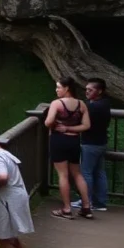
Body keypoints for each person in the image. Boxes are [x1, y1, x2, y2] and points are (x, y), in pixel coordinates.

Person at [45, 77, 93, 219]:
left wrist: (60, 126)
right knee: (77, 174)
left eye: (59, 87)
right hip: (74, 140)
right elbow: (86, 125)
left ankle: (66, 209)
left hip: (58, 140)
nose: (57, 90)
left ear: (67, 88)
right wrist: (70, 128)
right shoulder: (81, 104)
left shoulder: (56, 104)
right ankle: (86, 207)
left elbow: (48, 122)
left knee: (63, 175)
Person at [68, 78, 111, 212]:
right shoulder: (105, 104)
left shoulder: (92, 107)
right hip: (101, 142)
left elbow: (79, 119)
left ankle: (87, 201)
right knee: (99, 172)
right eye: (86, 89)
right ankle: (100, 203)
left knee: (86, 172)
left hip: (90, 144)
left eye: (90, 90)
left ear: (99, 91)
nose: (87, 92)